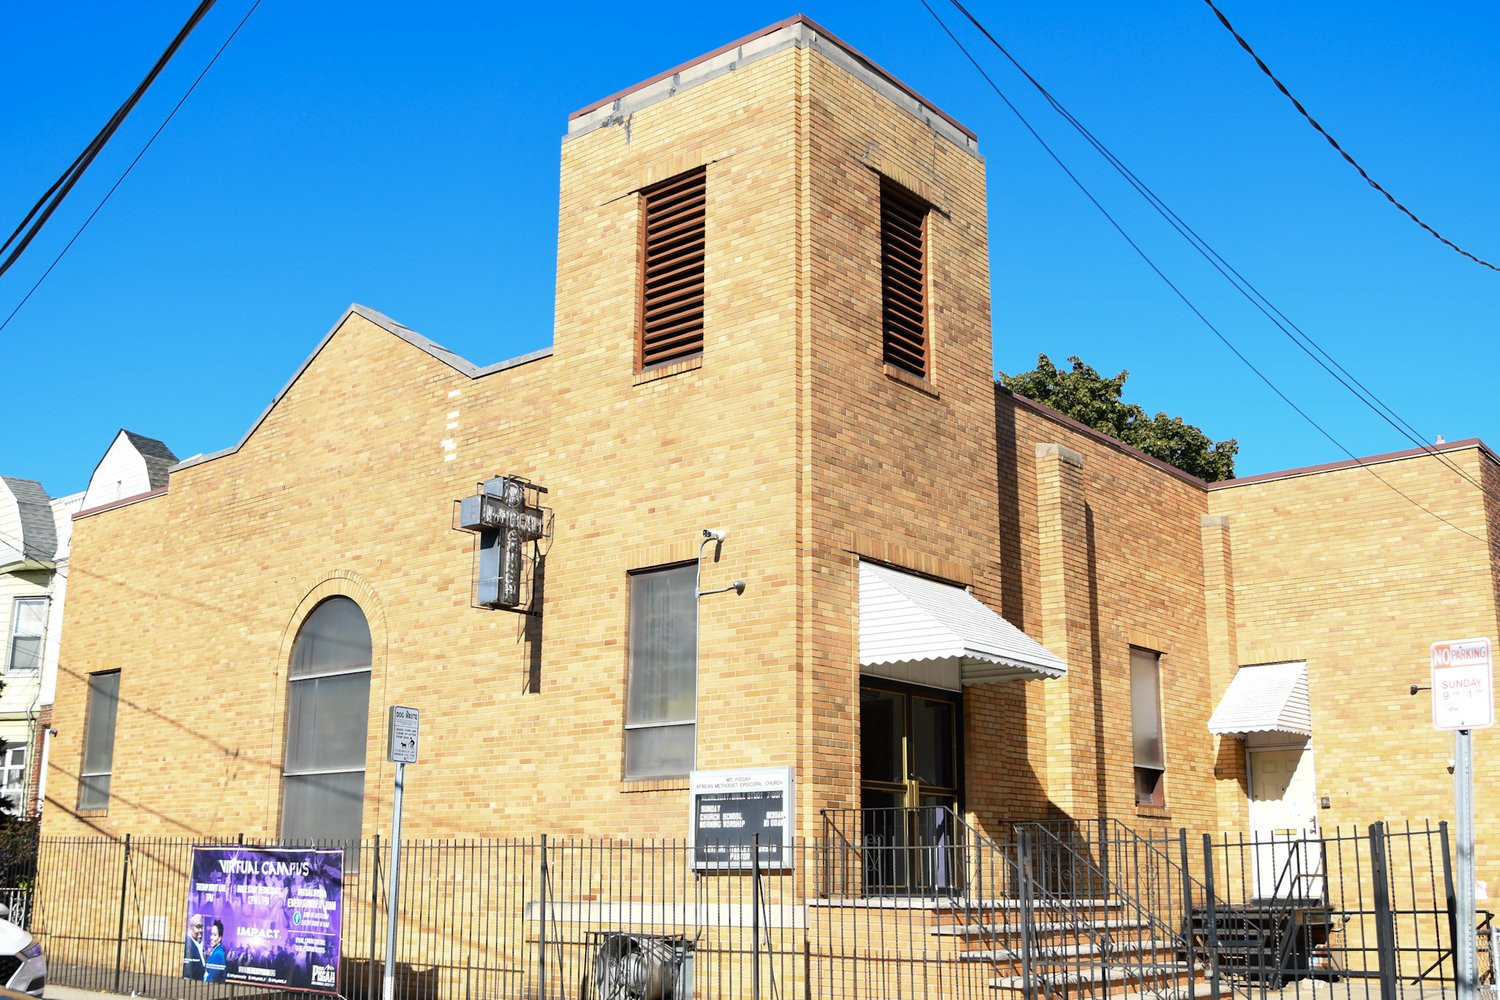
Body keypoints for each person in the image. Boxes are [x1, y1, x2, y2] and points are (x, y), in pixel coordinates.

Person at [182, 915, 205, 981]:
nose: (200, 930)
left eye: (202, 927)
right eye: (198, 927)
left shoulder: (197, 944)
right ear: (190, 928)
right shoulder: (188, 945)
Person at [204, 919, 227, 983]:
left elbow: (211, 980)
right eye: (211, 934)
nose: (211, 937)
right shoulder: (216, 951)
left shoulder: (218, 954)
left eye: (214, 935)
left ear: (220, 938)